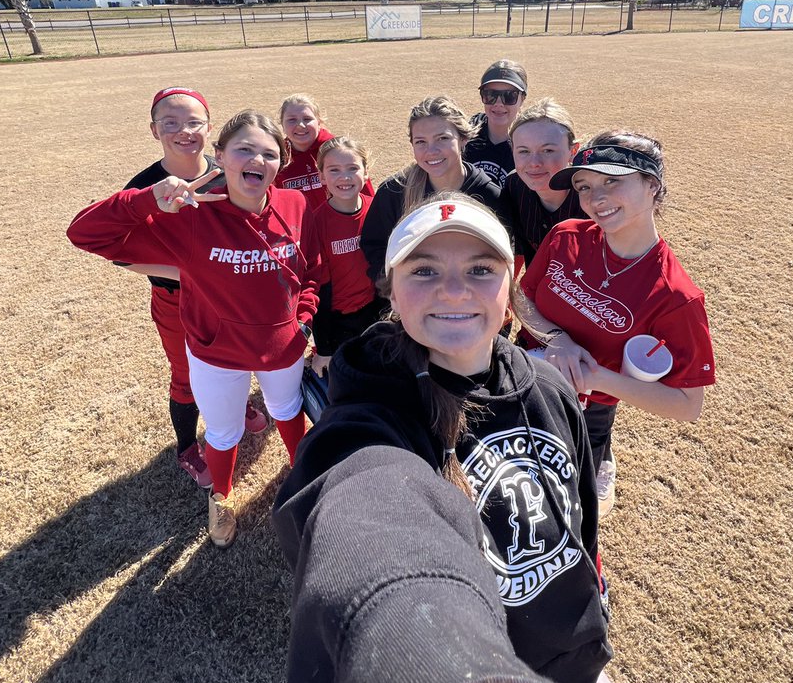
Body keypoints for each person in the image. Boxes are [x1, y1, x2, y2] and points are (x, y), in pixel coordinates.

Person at [273, 194, 613, 683]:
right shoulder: (373, 416)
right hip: (471, 682)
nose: (454, 289)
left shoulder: (550, 388)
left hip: (568, 659)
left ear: (510, 288)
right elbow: (373, 510)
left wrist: (592, 621)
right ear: (392, 292)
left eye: (480, 269)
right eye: (424, 270)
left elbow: (578, 514)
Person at [67, 110, 321, 548]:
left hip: (281, 346)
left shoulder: (294, 204)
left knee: (286, 411)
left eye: (269, 154)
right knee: (223, 433)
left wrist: (302, 320)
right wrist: (147, 199)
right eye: (244, 150)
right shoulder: (190, 215)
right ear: (219, 156)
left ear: (280, 164)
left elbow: (311, 269)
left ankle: (305, 483)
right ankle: (221, 498)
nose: (257, 161)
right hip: (215, 352)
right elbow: (84, 233)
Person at [521, 132, 716, 516]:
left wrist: (595, 378)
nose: (595, 199)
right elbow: (522, 296)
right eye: (584, 186)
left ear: (652, 186)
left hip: (591, 410)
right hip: (526, 378)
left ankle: (600, 457)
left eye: (612, 180)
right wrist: (557, 340)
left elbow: (687, 405)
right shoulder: (565, 237)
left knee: (571, 505)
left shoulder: (676, 296)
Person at [115, 87, 267, 490]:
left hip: (228, 290)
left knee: (236, 356)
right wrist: (188, 272)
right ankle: (186, 447)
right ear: (154, 130)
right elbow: (120, 255)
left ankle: (239, 406)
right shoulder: (145, 186)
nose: (184, 131)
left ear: (209, 127)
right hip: (176, 298)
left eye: (194, 122)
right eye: (171, 123)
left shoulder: (226, 171)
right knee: (186, 375)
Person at [360, 96, 502, 283]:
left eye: (442, 138)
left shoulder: (489, 194)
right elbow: (375, 247)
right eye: (420, 142)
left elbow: (501, 257)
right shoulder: (394, 192)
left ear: (463, 139)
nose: (431, 150)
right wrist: (397, 287)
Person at [310, 136, 383, 379]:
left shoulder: (378, 210)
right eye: (334, 170)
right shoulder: (316, 223)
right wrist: (324, 348)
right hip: (339, 322)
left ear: (366, 171)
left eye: (353, 168)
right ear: (321, 177)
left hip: (378, 313)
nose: (345, 177)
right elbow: (321, 289)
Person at [500, 98, 585, 268]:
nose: (534, 163)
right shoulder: (515, 185)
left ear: (572, 151)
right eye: (524, 151)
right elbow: (519, 248)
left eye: (548, 150)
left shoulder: (591, 195)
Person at [463, 59, 528, 187]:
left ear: (522, 99)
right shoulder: (466, 135)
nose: (498, 103)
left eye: (509, 96)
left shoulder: (531, 142)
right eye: (490, 95)